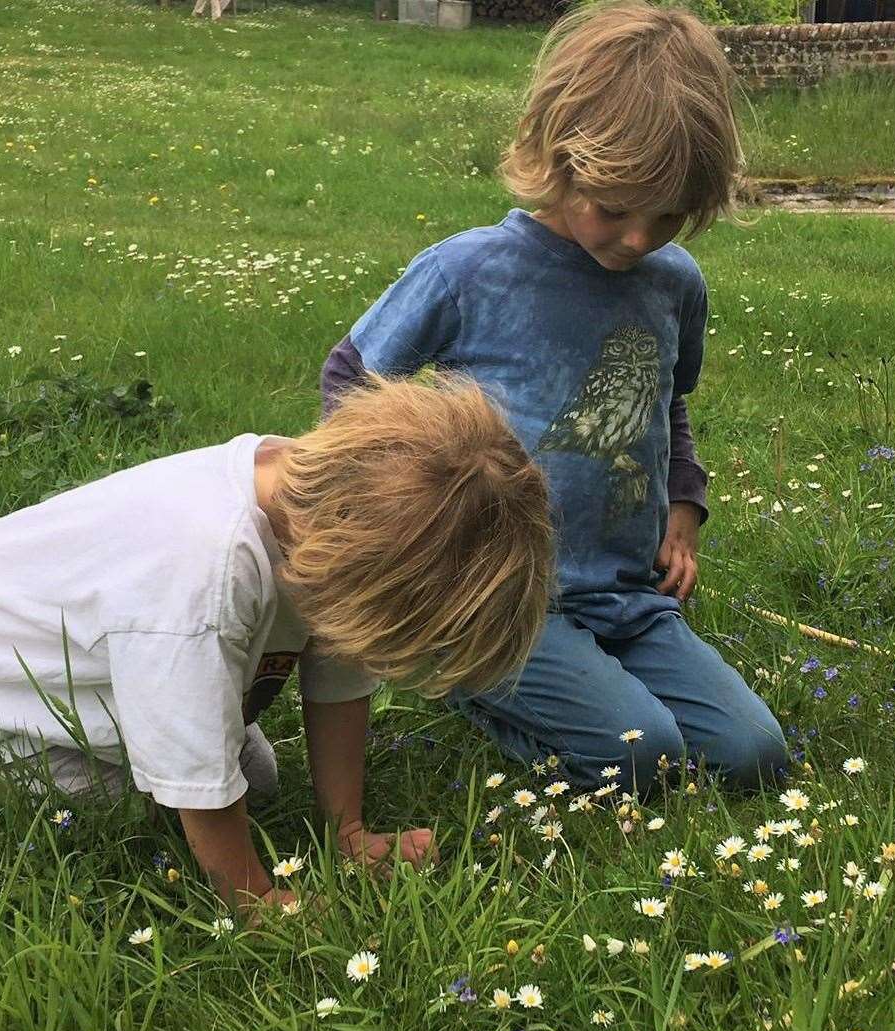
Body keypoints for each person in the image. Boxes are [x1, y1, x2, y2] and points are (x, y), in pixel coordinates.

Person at [322, 1, 786, 797]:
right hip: (500, 594)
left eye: (669, 215)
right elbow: (350, 385)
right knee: (640, 756)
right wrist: (401, 535)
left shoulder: (674, 285)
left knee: (752, 756)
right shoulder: (469, 272)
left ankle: (584, 682)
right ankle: (461, 669)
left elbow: (664, 404)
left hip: (625, 592)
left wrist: (684, 505)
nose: (638, 239)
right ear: (557, 156)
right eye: (613, 207)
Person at [0, 375, 553, 913]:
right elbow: (191, 765)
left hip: (92, 632)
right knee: (138, 800)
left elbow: (342, 676)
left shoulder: (338, 502)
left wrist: (346, 834)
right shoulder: (200, 579)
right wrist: (253, 898)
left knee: (253, 780)